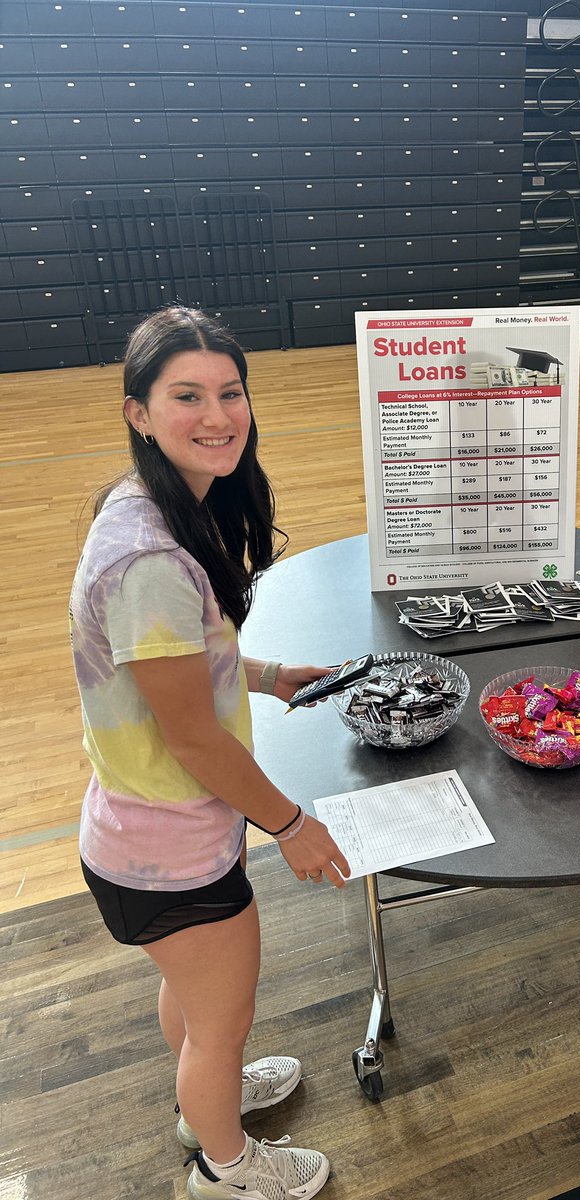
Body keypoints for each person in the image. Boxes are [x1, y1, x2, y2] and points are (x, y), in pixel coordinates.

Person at [69, 306, 351, 1200]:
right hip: (170, 851)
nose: (218, 414)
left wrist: (261, 676)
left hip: (138, 833)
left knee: (198, 1006)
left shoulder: (149, 503)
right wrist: (291, 822)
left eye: (230, 392)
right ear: (138, 412)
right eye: (185, 395)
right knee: (221, 1024)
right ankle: (225, 1166)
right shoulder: (147, 557)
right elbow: (190, 734)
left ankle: (208, 1100)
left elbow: (175, 677)